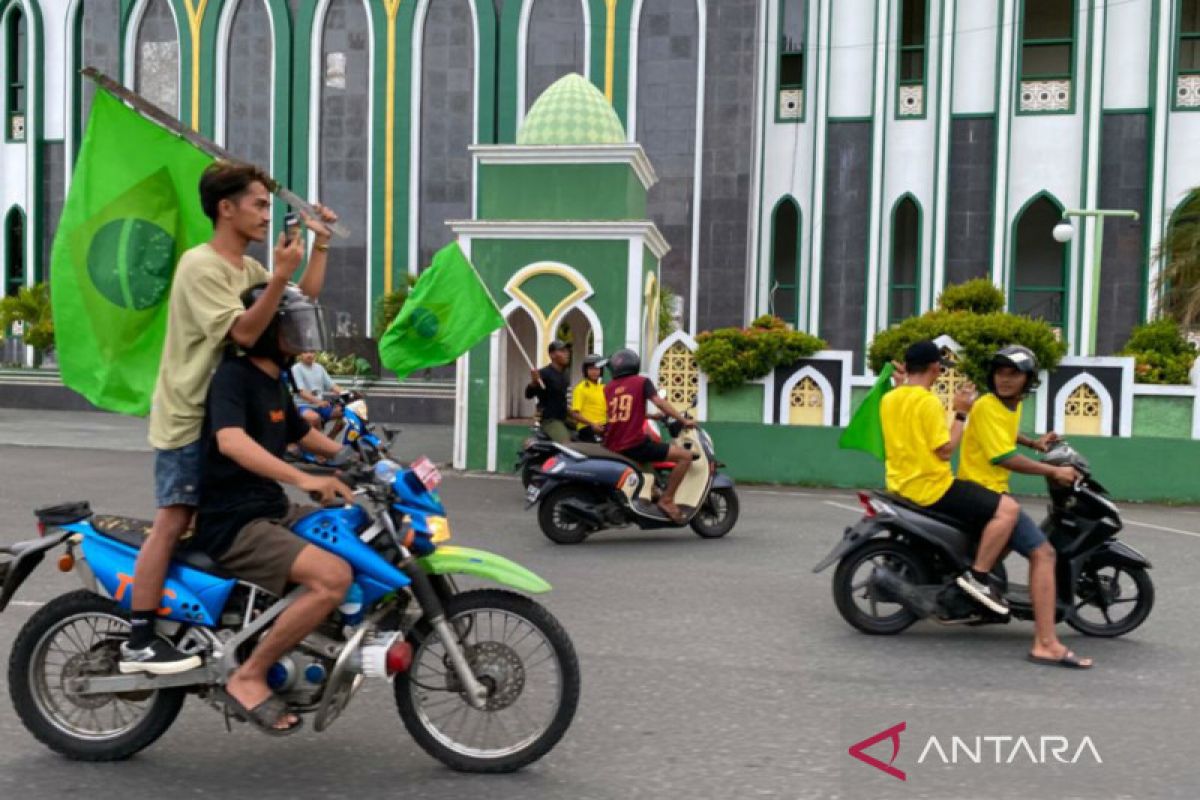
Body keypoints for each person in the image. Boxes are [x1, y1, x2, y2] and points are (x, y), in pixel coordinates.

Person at [121, 161, 338, 675]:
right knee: (174, 519)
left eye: (268, 205)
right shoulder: (202, 265)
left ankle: (212, 620)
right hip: (189, 416)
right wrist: (280, 273)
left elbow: (297, 302)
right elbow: (243, 333)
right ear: (226, 208)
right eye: (259, 204)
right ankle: (139, 636)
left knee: (215, 522)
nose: (267, 214)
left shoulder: (247, 270)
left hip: (226, 413)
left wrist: (319, 246)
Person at [190, 284, 355, 734]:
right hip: (234, 521)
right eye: (290, 324)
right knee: (332, 577)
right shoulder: (233, 377)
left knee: (355, 532)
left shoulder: (274, 381)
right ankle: (250, 675)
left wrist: (357, 459)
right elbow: (231, 440)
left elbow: (305, 436)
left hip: (270, 510)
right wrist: (305, 479)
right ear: (264, 330)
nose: (301, 333)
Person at [958, 346, 1091, 668]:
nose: (1004, 379)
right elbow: (1003, 457)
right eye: (1000, 372)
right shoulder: (989, 405)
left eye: (1013, 374)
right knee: (1043, 553)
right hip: (981, 490)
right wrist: (1053, 470)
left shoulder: (1008, 405)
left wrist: (1033, 443)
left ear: (1027, 380)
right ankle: (1045, 643)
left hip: (989, 490)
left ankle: (979, 591)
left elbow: (1004, 433)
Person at [880, 340, 1018, 616]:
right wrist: (961, 412)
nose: (941, 372)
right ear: (934, 367)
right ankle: (977, 578)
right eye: (940, 368)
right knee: (1009, 511)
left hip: (899, 483)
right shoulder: (928, 402)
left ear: (906, 367)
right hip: (933, 488)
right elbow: (945, 451)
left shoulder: (890, 398)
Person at [602, 348, 695, 523]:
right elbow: (659, 402)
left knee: (648, 459)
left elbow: (623, 412)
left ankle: (651, 494)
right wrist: (683, 420)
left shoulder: (608, 389)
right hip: (634, 444)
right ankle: (667, 500)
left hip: (612, 445)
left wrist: (651, 416)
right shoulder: (642, 382)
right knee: (686, 457)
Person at [526, 340, 591, 443]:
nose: (567, 353)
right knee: (567, 444)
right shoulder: (544, 373)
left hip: (564, 418)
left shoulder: (565, 374)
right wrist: (534, 383)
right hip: (551, 420)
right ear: (552, 355)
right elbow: (528, 394)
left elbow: (562, 400)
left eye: (567, 351)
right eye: (562, 351)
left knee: (586, 435)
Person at [292, 350, 345, 438]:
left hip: (321, 405)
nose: (309, 355)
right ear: (300, 354)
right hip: (303, 406)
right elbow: (301, 392)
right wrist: (318, 402)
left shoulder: (319, 368)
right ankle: (320, 445)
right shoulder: (296, 368)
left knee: (345, 415)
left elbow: (332, 386)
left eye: (312, 352)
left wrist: (348, 393)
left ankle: (330, 438)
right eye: (306, 352)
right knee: (314, 418)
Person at [571, 354, 607, 443]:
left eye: (597, 369)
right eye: (591, 369)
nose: (594, 372)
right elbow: (575, 414)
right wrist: (592, 424)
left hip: (604, 425)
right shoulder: (580, 388)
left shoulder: (604, 388)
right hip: (587, 427)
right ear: (586, 371)